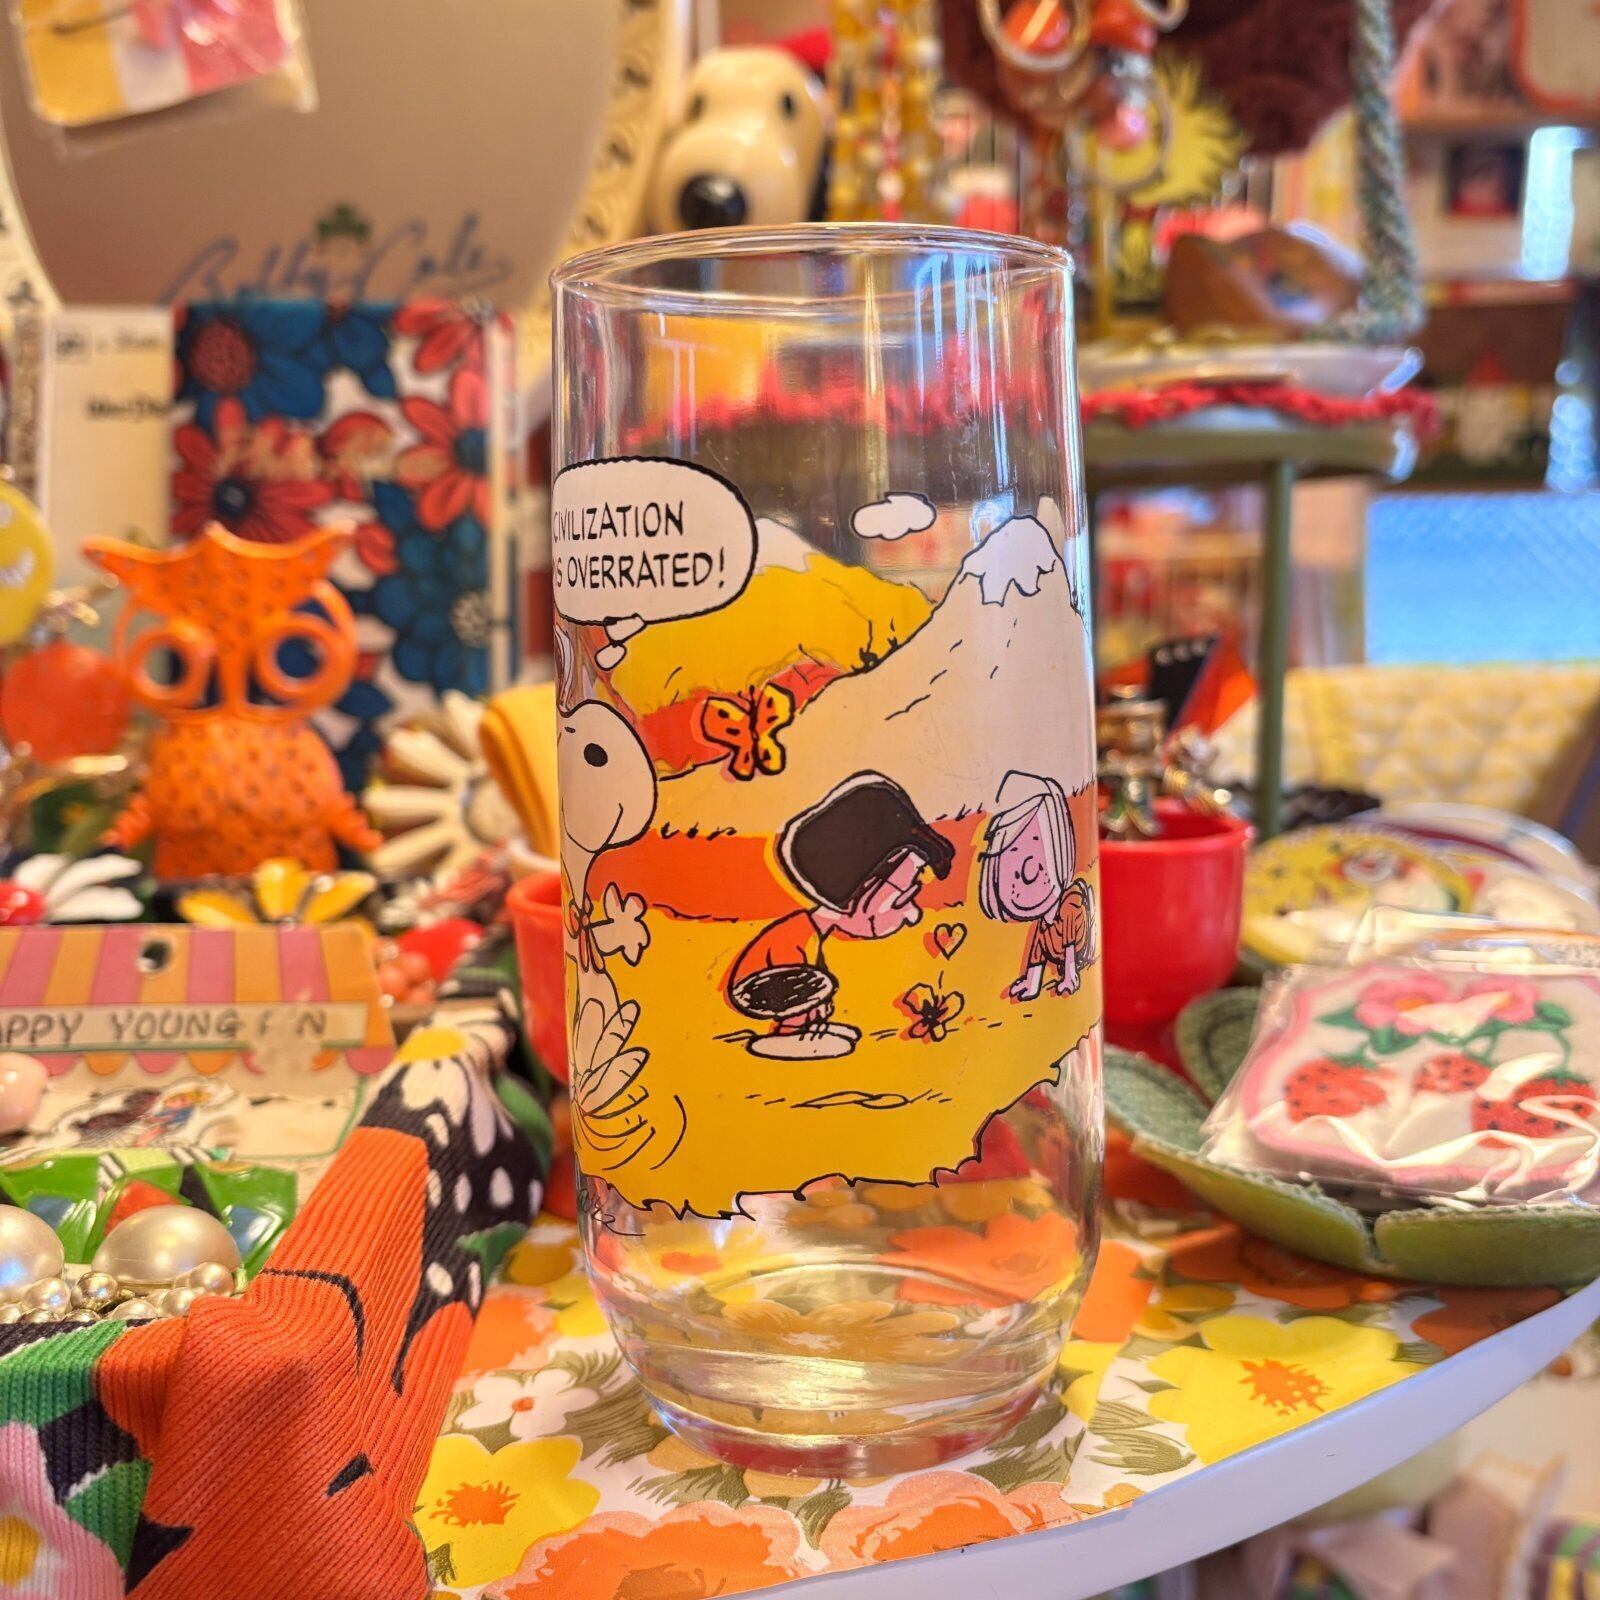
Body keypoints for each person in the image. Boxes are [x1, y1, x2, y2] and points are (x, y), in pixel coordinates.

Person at [726, 772, 955, 1059]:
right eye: (901, 899)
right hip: (757, 987)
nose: (912, 915)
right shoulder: (798, 934)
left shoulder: (812, 932)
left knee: (817, 984)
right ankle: (790, 1033)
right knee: (815, 983)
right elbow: (790, 973)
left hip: (777, 982)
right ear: (855, 893)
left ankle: (807, 1028)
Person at [979, 771, 1096, 1001]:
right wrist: (1032, 983)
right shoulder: (1043, 925)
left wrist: (1069, 975)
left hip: (1081, 959)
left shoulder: (1070, 903)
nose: (1027, 872)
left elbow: (1070, 942)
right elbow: (1037, 951)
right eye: (1011, 854)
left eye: (1036, 846)